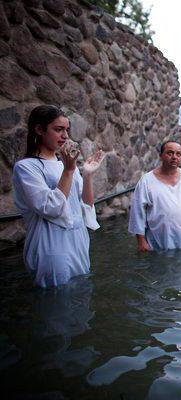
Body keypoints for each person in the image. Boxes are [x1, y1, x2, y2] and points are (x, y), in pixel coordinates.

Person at [12, 105, 105, 288]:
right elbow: (50, 208)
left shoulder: (66, 165)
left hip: (78, 239)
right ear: (39, 129)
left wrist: (86, 176)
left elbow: (85, 207)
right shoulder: (27, 167)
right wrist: (69, 171)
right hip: (50, 244)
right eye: (58, 129)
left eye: (67, 130)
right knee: (56, 302)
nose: (65, 136)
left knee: (81, 299)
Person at [128, 140, 181, 251]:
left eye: (178, 154)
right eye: (170, 153)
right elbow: (138, 212)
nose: (174, 157)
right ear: (161, 156)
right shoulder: (147, 181)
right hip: (157, 243)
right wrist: (141, 240)